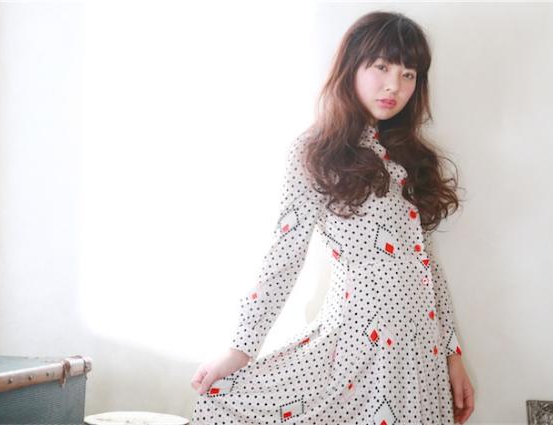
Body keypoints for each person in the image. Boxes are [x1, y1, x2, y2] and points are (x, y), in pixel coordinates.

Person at [190, 10, 474, 425]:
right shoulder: (316, 153)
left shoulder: (412, 157)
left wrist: (452, 355)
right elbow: (284, 255)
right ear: (352, 65)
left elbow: (426, 263)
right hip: (357, 342)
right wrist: (240, 349)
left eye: (409, 74)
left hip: (421, 353)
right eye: (382, 67)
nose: (394, 85)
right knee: (226, 405)